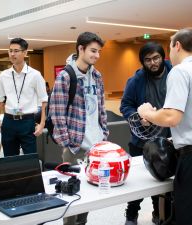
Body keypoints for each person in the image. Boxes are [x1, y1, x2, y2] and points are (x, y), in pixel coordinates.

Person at [137, 28, 192, 225]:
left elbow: (171, 117)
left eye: (170, 46)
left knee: (191, 220)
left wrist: (147, 113)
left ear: (177, 45)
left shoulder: (180, 71)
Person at [49, 32, 109, 225]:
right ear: (80, 49)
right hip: (75, 147)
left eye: (99, 51)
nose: (97, 56)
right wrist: (68, 143)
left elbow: (101, 107)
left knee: (89, 195)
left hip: (96, 147)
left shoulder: (97, 75)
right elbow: (57, 114)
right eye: (93, 51)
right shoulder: (66, 76)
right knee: (71, 197)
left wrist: (104, 132)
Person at [120, 42, 172, 225]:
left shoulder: (175, 74)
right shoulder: (136, 81)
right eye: (148, 60)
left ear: (162, 57)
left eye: (156, 58)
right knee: (137, 184)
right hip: (141, 142)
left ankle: (159, 214)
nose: (153, 63)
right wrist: (137, 116)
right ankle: (131, 215)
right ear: (142, 62)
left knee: (163, 183)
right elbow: (125, 105)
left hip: (169, 141)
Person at [0, 38, 48, 156]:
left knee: (30, 158)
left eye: (16, 51)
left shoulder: (35, 75)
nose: (12, 54)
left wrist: (42, 123)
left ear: (25, 53)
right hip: (8, 122)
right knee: (9, 158)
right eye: (10, 50)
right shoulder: (4, 75)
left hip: (27, 121)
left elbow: (44, 100)